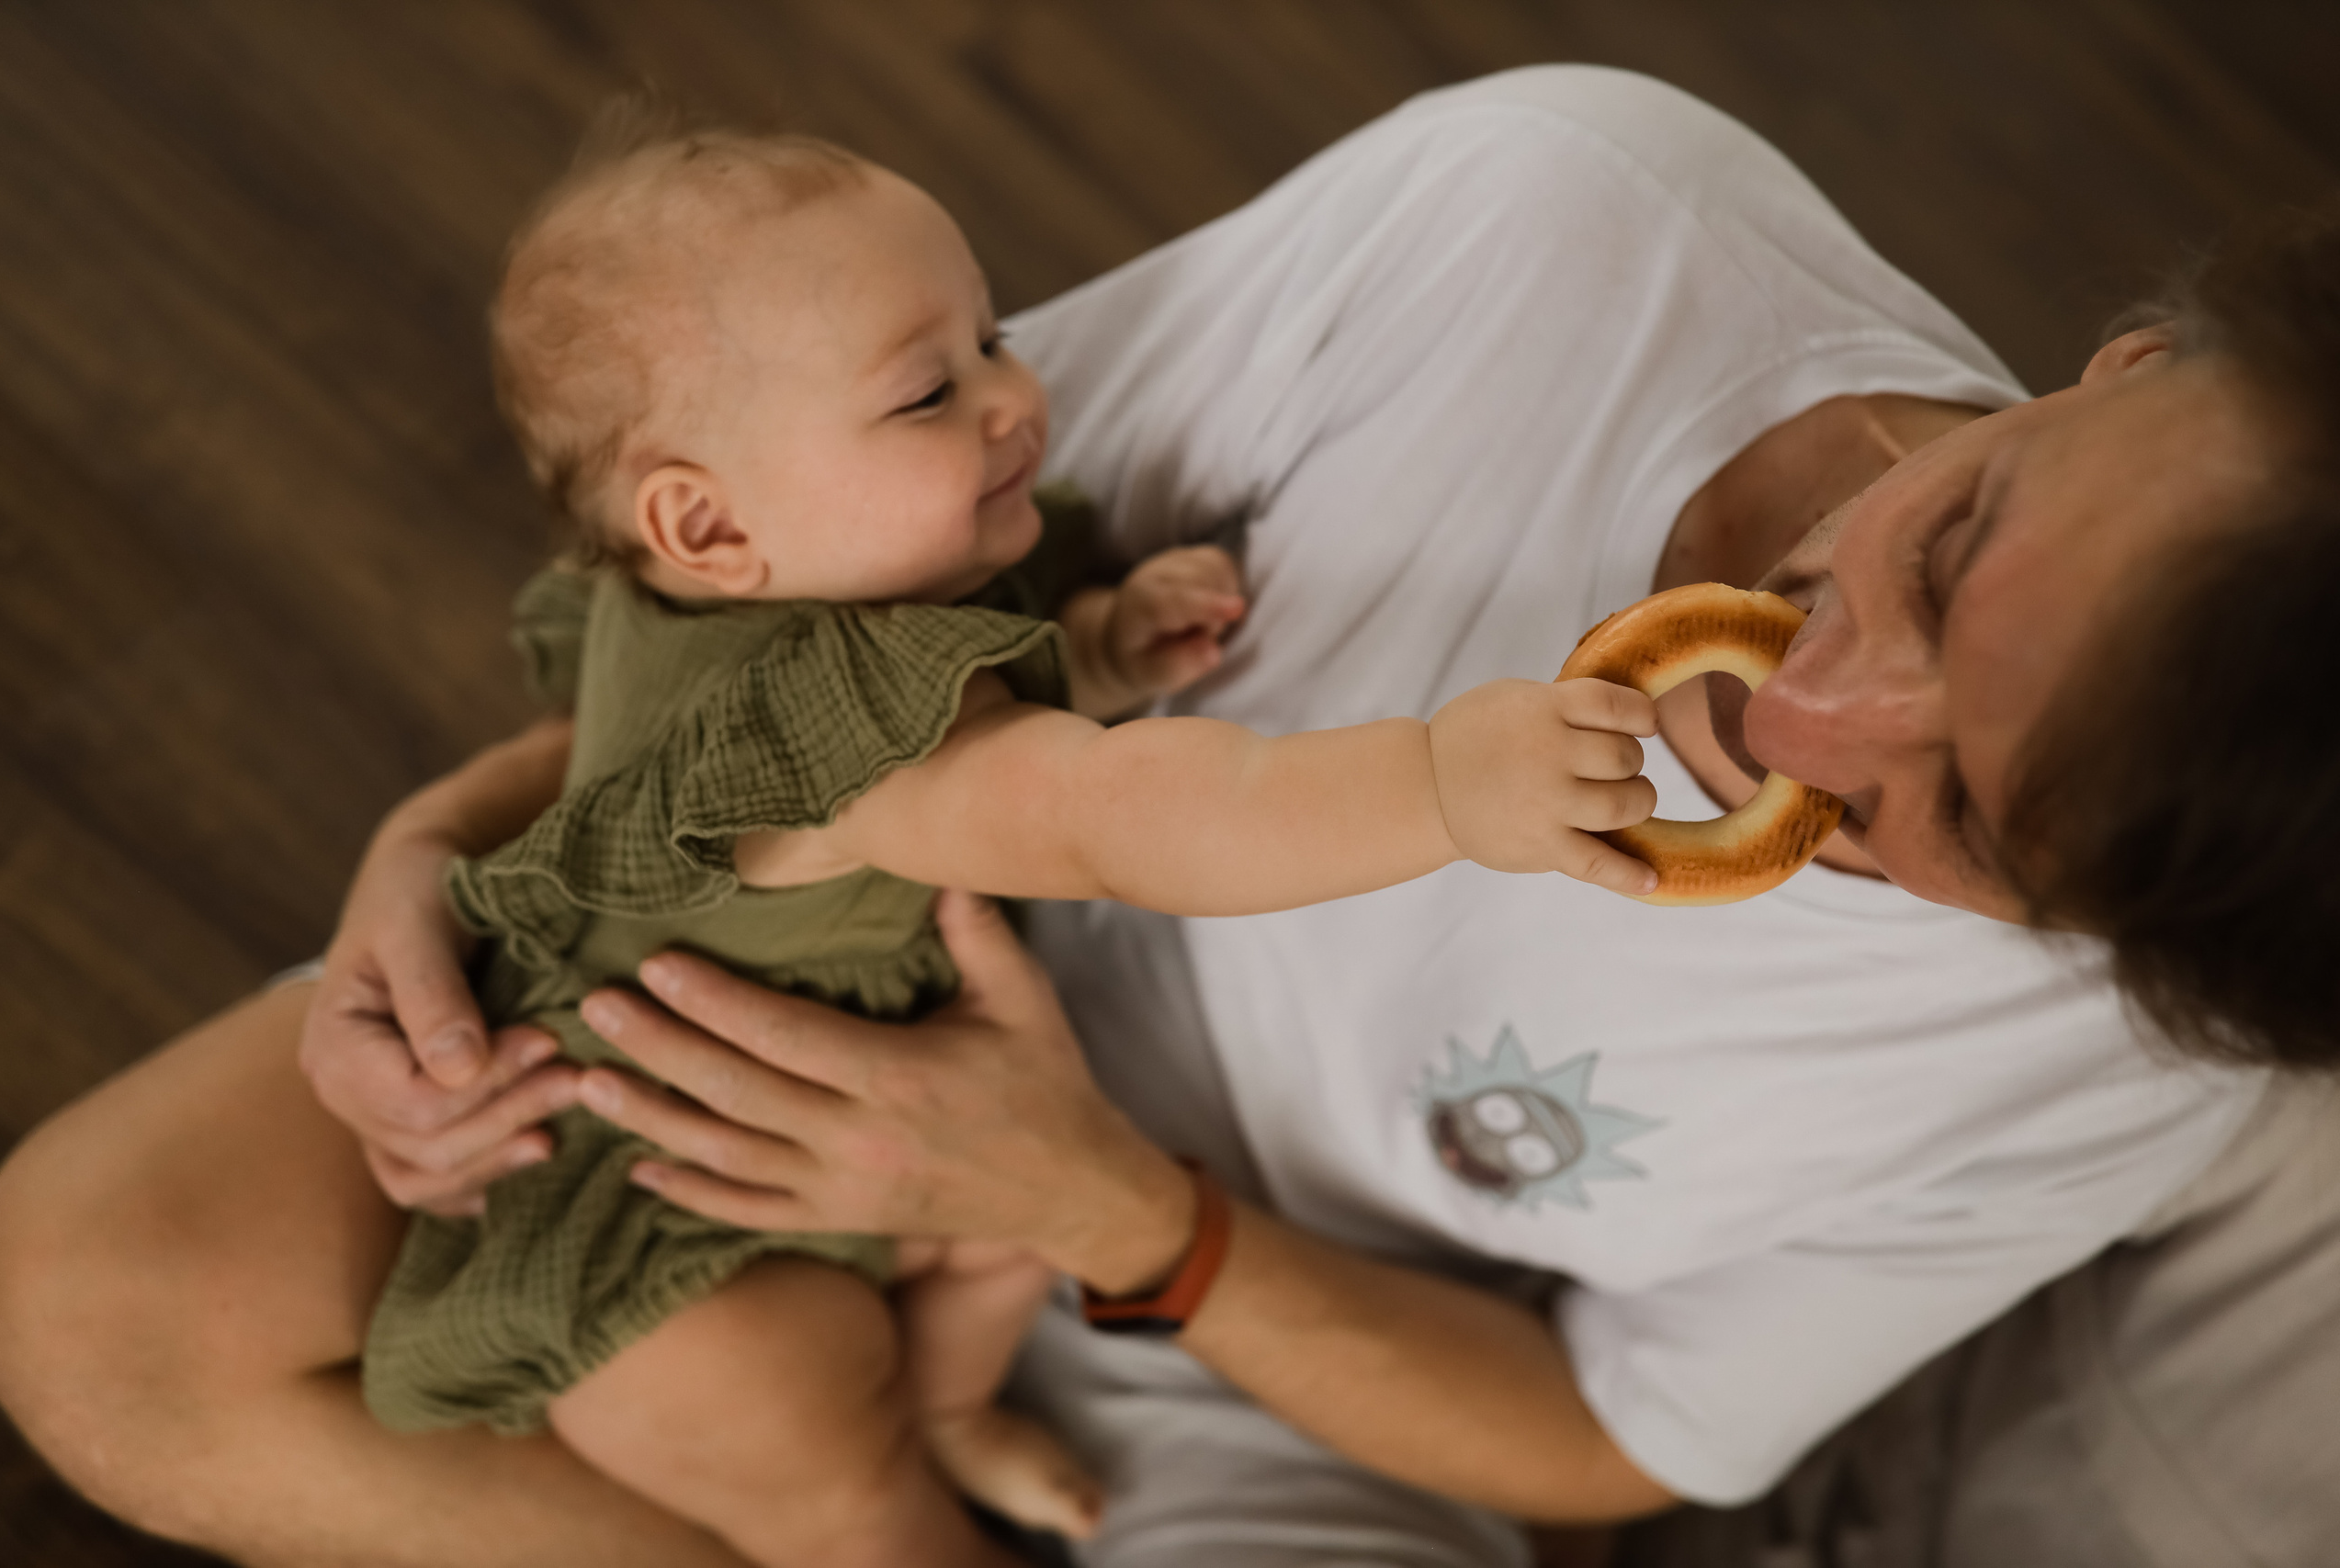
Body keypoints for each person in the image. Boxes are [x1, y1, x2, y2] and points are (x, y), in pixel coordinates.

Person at [0, 63, 2333, 1568]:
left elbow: (1604, 1441)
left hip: (1258, 1345)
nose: (1808, 697)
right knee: (86, 1301)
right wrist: (432, 849)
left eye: (1951, 813)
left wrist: (1099, 1205)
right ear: (2118, 367)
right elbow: (800, 653)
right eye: (1941, 549)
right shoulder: (1553, 226)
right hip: (754, 948)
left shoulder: (2131, 1053)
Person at [351, 108, 1671, 1566]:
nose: (1011, 400)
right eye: (928, 391)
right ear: (708, 528)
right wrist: (1441, 785)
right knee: (778, 1420)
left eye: (991, 334)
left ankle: (954, 1406)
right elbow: (1115, 815)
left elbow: (995, 689)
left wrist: (1096, 651)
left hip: (883, 1118)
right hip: (677, 1203)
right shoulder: (821, 741)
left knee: (999, 1237)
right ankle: (886, 1515)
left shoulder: (781, 578)